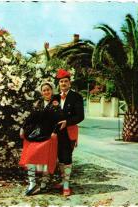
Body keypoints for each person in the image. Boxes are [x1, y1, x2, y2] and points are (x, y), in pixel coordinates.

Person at [19, 82, 63, 196]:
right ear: (41, 92)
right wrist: (23, 128)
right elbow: (31, 117)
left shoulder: (56, 104)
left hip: (49, 136)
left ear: (52, 91)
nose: (46, 92)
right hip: (37, 135)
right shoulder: (38, 103)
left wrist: (55, 132)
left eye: (48, 89)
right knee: (30, 157)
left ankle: (44, 184)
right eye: (44, 90)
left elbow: (60, 120)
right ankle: (32, 183)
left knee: (47, 162)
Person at [54, 68, 84, 196]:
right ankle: (62, 180)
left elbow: (80, 116)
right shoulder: (55, 97)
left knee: (67, 157)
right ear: (59, 84)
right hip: (56, 133)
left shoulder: (76, 97)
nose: (63, 84)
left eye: (66, 81)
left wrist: (67, 122)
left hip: (69, 131)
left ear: (69, 83)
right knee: (60, 158)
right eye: (61, 82)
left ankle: (66, 185)